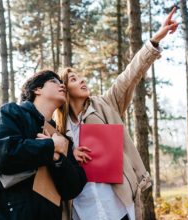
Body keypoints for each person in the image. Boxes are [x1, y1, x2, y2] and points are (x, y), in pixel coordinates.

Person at [54, 7, 179, 220]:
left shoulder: (105, 105)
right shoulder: (57, 129)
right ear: (64, 91)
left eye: (81, 76)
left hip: (117, 207)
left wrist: (156, 39)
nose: (82, 80)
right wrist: (70, 156)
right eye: (74, 79)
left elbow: (130, 75)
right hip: (83, 211)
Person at [0, 70, 87, 220]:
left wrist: (58, 159)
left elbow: (73, 188)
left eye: (61, 82)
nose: (62, 85)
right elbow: (3, 152)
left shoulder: (61, 138)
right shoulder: (10, 113)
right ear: (37, 89)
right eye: (54, 81)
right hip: (4, 214)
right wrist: (50, 147)